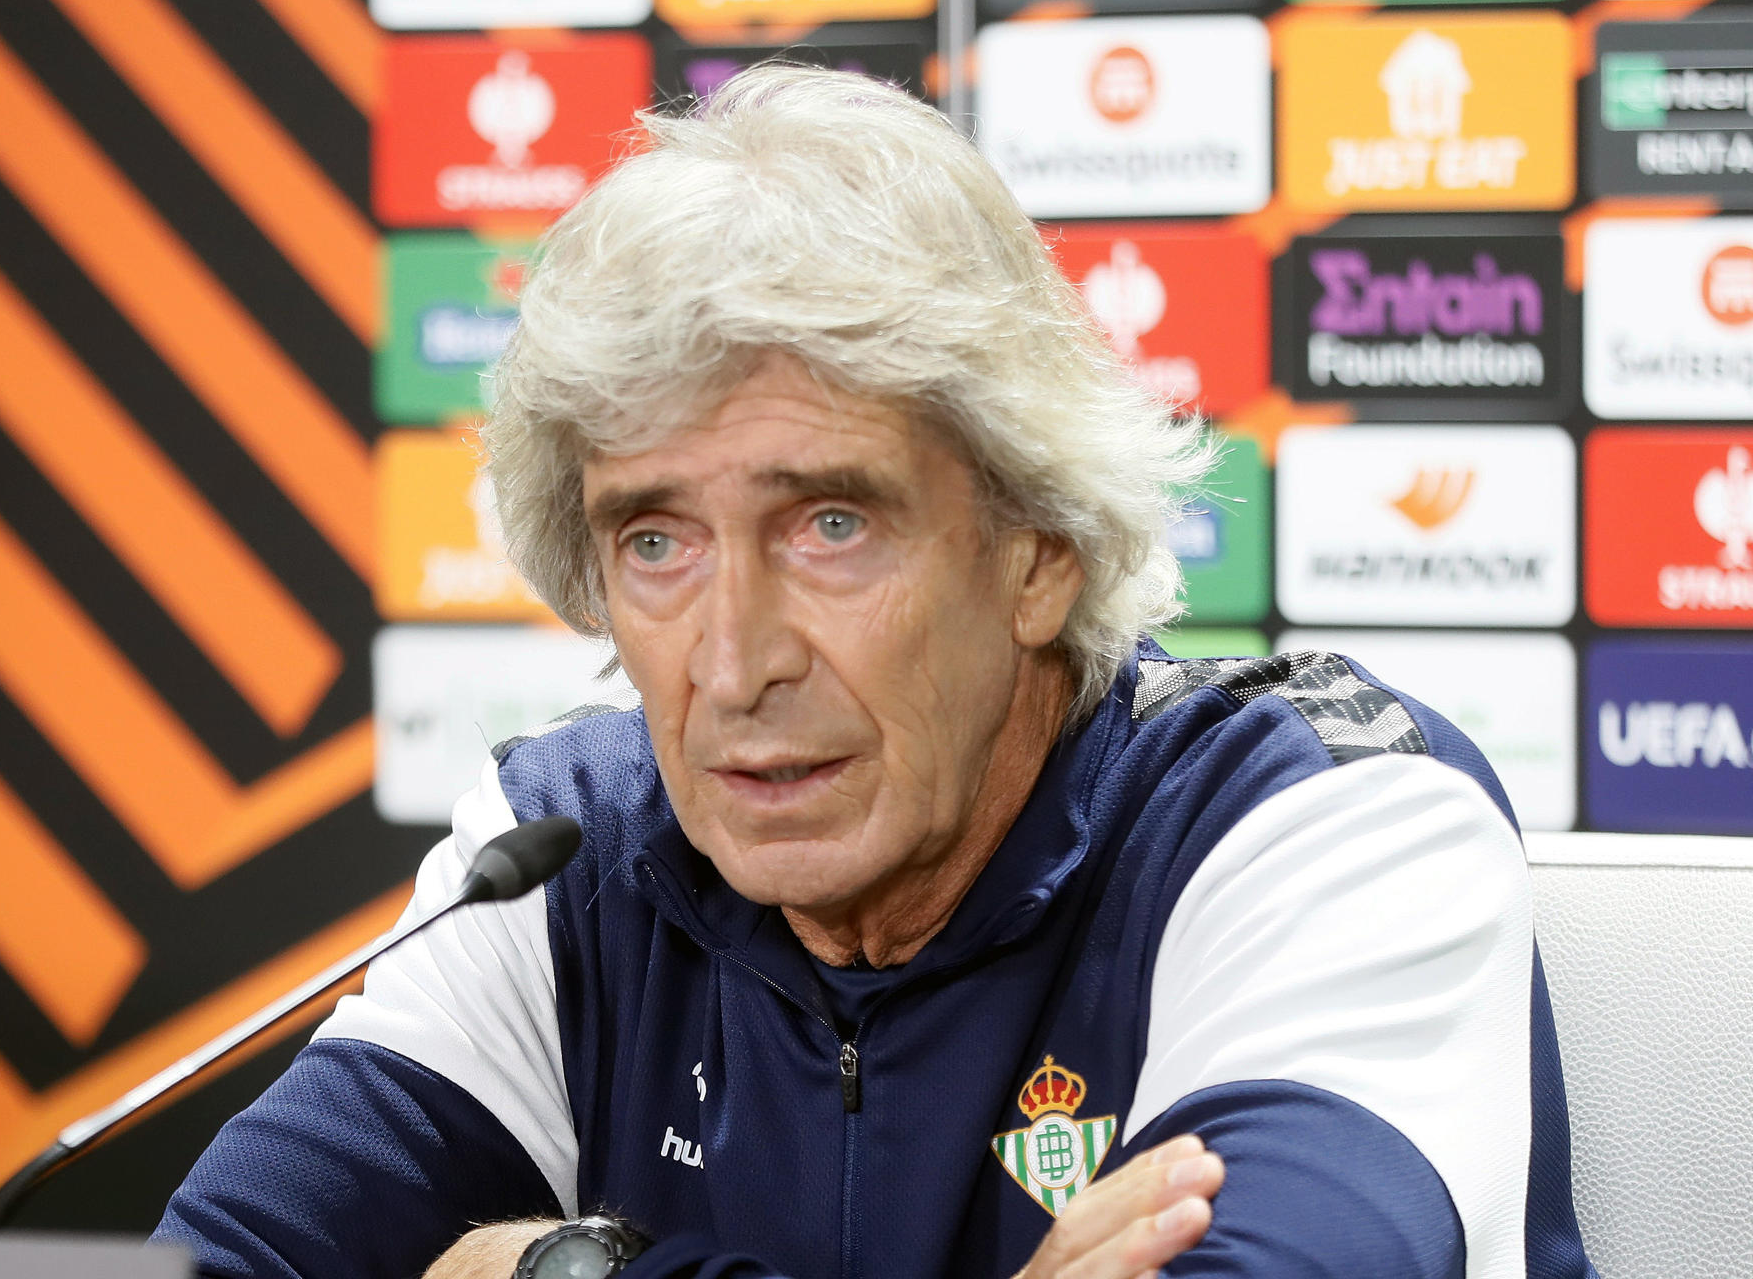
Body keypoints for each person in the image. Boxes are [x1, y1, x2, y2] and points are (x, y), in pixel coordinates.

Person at [152, 66, 1595, 1279]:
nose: (732, 663)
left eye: (830, 524)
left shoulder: (1320, 816)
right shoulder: (561, 857)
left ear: (1039, 551)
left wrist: (559, 1264)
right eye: (655, 541)